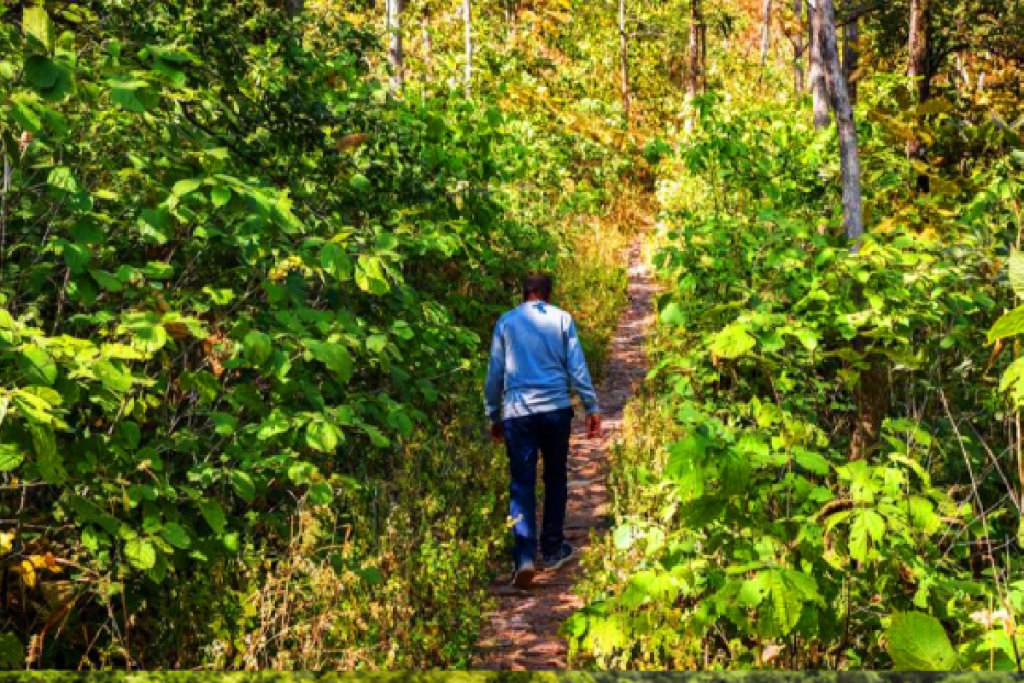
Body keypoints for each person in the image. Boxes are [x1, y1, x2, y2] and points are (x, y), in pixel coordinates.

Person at [484, 273, 602, 588]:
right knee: (555, 476)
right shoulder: (562, 319)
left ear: (524, 293)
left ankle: (524, 556)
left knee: (521, 483)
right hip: (554, 411)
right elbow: (577, 368)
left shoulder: (506, 323)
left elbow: (495, 374)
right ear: (548, 295)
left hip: (518, 414)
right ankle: (551, 548)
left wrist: (494, 415)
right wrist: (591, 406)